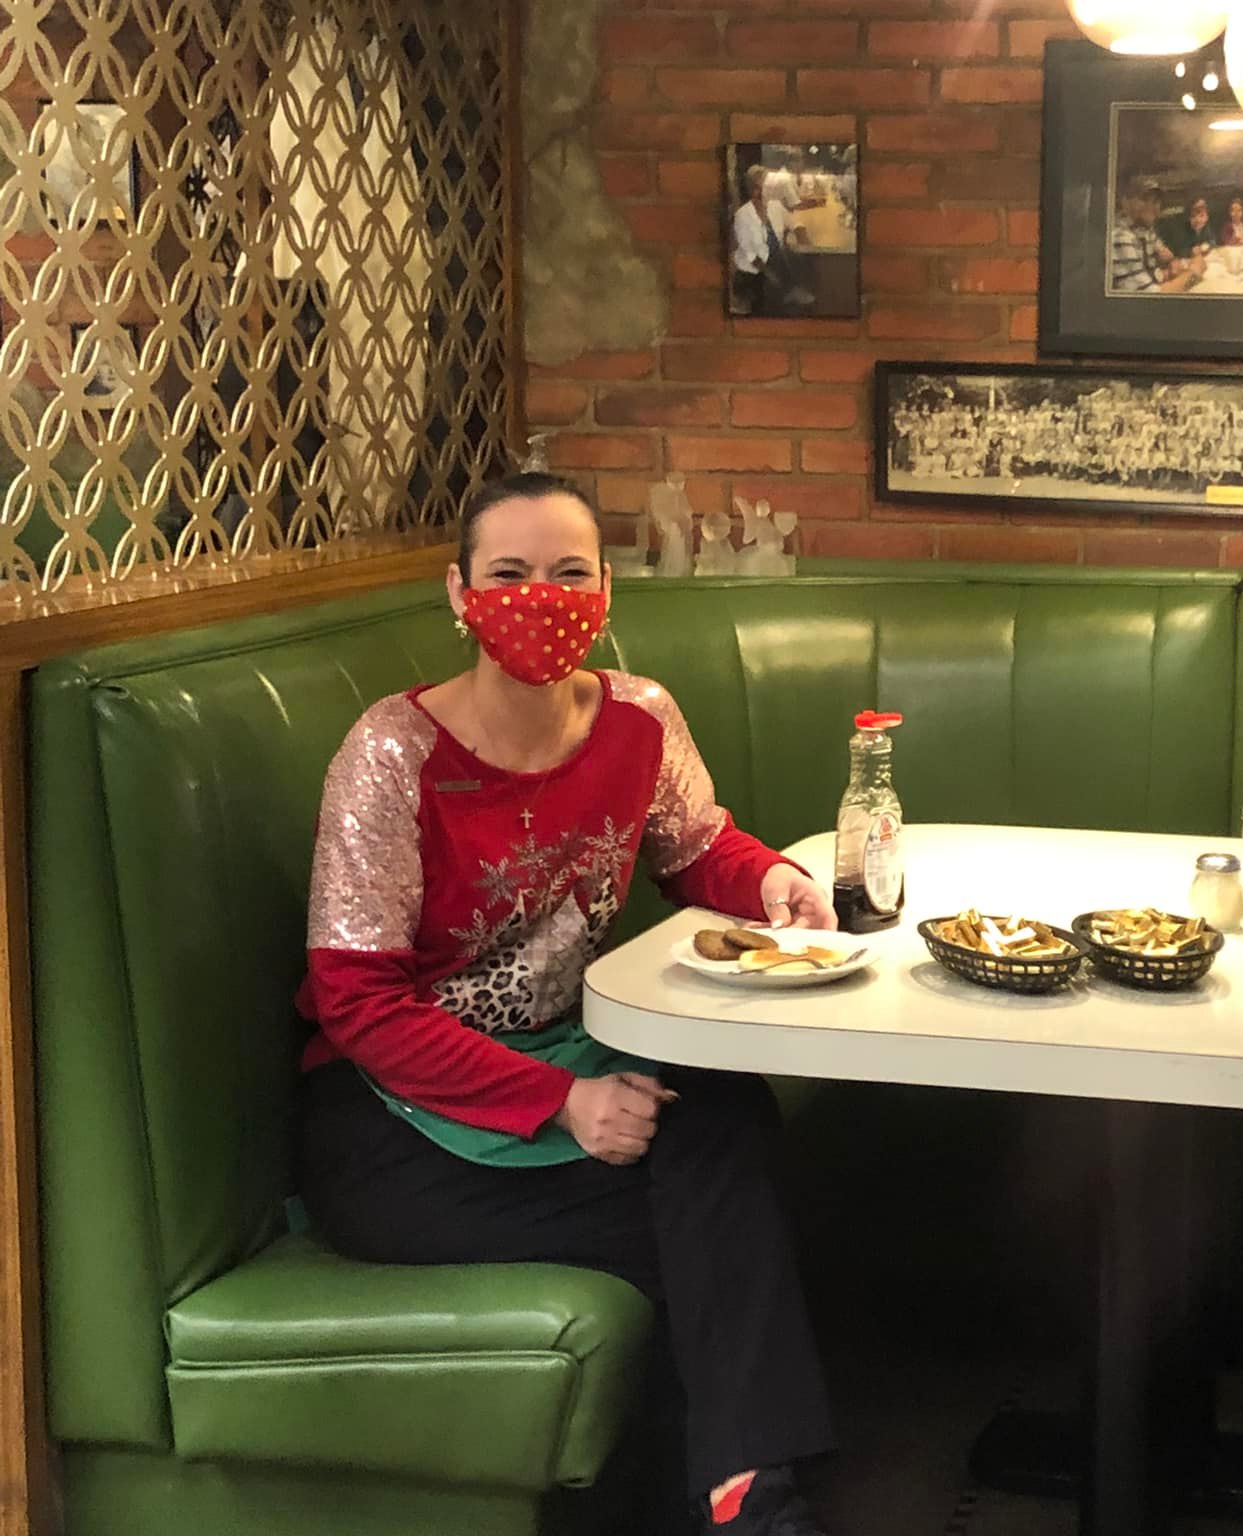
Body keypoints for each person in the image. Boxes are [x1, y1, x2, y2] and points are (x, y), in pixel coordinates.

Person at [297, 471, 840, 1536]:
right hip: (388, 1127)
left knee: (727, 1119)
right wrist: (560, 1103)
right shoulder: (392, 753)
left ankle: (727, 1493)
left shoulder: (639, 719)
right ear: (459, 594)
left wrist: (771, 879)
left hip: (560, 1054)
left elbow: (696, 846)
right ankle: (743, 1499)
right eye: (508, 574)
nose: (539, 599)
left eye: (568, 574)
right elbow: (356, 1004)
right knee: (715, 1215)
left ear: (605, 592)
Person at [731, 163, 813, 315]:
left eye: (766, 184)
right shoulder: (743, 216)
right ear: (753, 190)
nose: (766, 189)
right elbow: (751, 257)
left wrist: (806, 245)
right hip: (755, 274)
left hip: (779, 270)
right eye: (761, 186)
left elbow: (796, 224)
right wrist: (777, 279)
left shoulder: (775, 206)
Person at [1109, 175, 1204, 293]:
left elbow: (1165, 261)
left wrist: (1172, 264)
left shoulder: (1145, 231)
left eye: (1156, 202)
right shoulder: (1120, 237)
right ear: (1124, 202)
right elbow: (1152, 297)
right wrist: (1194, 273)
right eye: (1144, 199)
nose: (1153, 208)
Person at [1161, 195, 1215, 260]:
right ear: (1188, 218)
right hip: (1184, 259)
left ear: (1207, 217)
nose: (1198, 220)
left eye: (1201, 216)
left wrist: (1207, 245)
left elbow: (1212, 240)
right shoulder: (1182, 230)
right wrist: (1190, 251)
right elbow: (1177, 250)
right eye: (1193, 216)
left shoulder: (1205, 227)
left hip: (1201, 258)